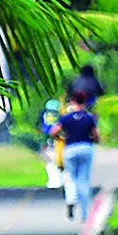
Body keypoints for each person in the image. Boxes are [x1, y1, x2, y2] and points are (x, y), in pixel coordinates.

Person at [57, 92, 99, 221]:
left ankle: (70, 200)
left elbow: (54, 131)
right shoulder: (89, 118)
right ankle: (85, 215)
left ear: (73, 102)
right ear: (84, 103)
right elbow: (95, 135)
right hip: (86, 148)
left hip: (70, 149)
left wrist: (60, 138)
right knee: (83, 181)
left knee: (70, 178)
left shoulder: (66, 118)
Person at [38, 98, 64, 189]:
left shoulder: (44, 116)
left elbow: (41, 129)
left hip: (49, 142)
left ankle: (53, 181)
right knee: (58, 163)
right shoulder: (61, 117)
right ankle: (58, 181)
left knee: (50, 163)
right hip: (58, 141)